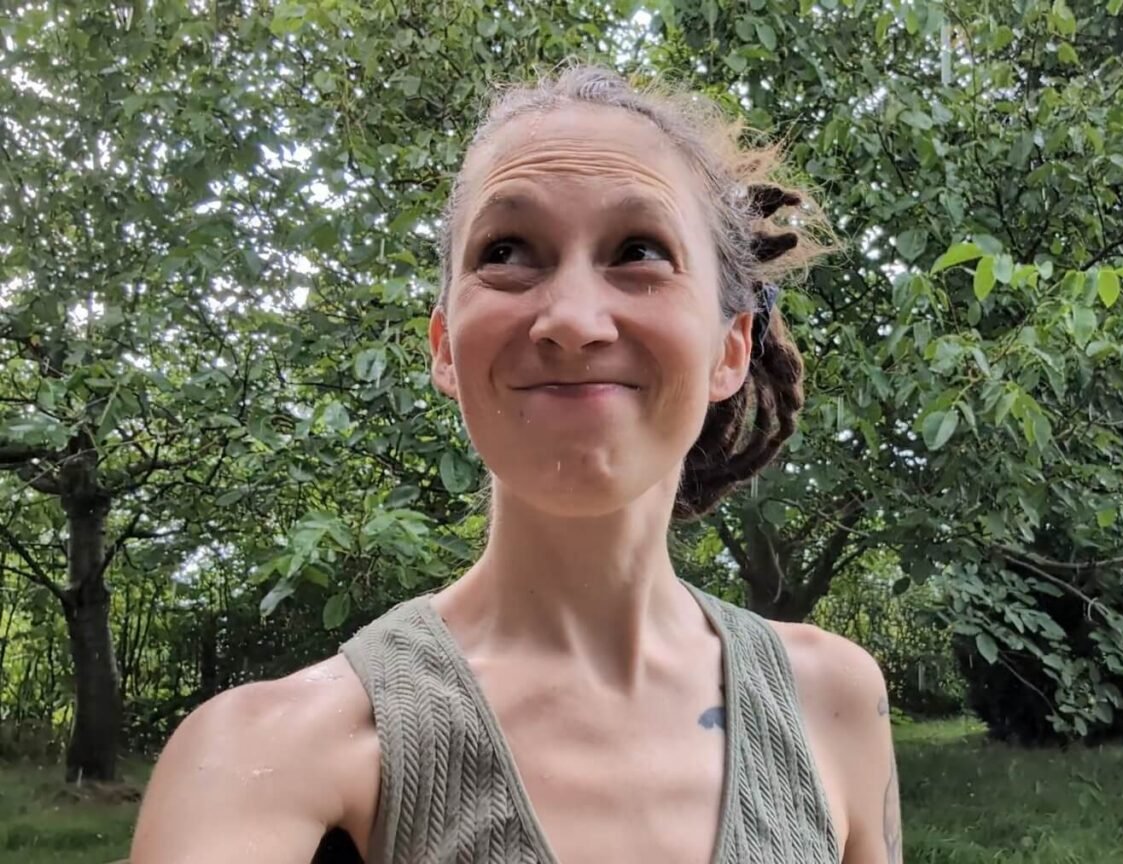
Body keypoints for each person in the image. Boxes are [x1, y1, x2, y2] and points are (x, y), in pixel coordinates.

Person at [131, 65, 902, 864]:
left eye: (639, 250)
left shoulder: (834, 703)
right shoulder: (275, 759)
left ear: (729, 348)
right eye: (507, 252)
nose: (570, 320)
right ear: (445, 350)